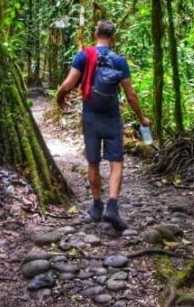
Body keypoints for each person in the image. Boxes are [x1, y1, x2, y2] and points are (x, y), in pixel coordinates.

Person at [56, 20, 151, 231]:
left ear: (95, 34)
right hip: (111, 117)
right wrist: (142, 118)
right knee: (116, 162)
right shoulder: (119, 61)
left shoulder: (84, 55)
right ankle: (113, 207)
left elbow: (68, 84)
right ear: (113, 37)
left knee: (93, 162)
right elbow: (131, 95)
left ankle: (97, 206)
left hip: (90, 117)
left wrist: (59, 97)